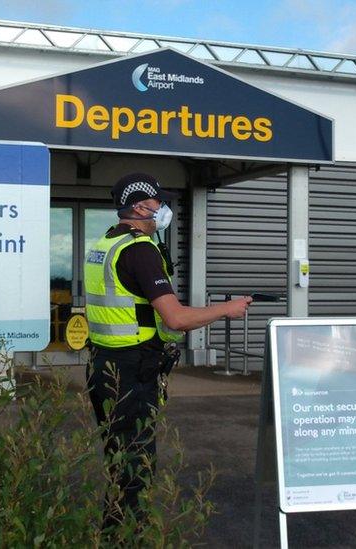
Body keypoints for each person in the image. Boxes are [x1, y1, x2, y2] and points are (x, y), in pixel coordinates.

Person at [84, 172, 252, 531]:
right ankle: (126, 537)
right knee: (135, 469)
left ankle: (114, 533)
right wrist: (227, 309)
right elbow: (175, 318)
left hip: (105, 366)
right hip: (131, 372)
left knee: (120, 463)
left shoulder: (105, 243)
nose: (163, 209)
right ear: (140, 207)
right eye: (159, 203)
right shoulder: (140, 251)